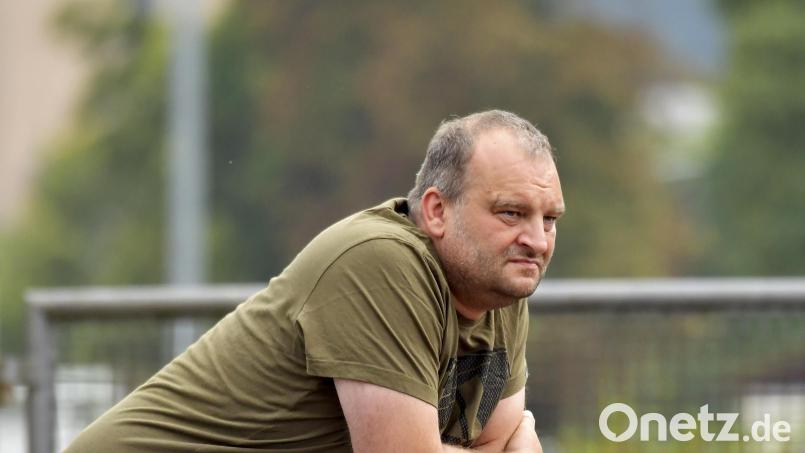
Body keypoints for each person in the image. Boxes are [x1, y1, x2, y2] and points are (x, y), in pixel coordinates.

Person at [65, 109, 565, 453]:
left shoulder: (500, 289)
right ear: (437, 210)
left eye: (549, 219)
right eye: (511, 212)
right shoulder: (382, 262)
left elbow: (500, 442)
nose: (537, 241)